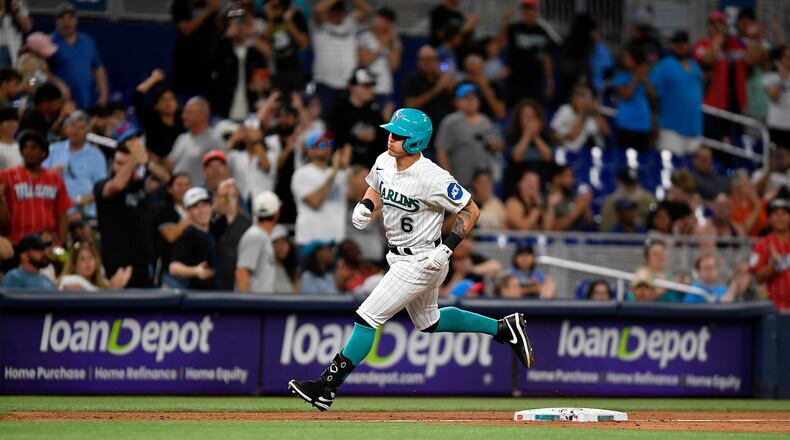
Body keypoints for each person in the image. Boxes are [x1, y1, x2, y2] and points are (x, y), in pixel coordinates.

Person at [288, 108, 535, 411]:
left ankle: (325, 387)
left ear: (416, 142)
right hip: (399, 257)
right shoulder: (384, 160)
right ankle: (502, 328)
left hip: (423, 259)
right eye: (391, 132)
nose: (391, 138)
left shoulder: (432, 176)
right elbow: (375, 186)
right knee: (429, 322)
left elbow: (471, 210)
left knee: (367, 318)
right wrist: (366, 205)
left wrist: (447, 248)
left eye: (399, 135)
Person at [94, 133, 170, 288]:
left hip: (142, 261)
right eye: (118, 163)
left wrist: (146, 161)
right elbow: (117, 185)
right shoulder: (102, 185)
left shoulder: (139, 185)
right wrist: (134, 158)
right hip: (117, 262)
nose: (120, 167)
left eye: (124, 163)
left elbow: (164, 178)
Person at [0, 130, 70, 245]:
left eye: (34, 147)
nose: (28, 151)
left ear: (43, 152)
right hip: (17, 242)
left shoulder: (55, 179)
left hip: (48, 241)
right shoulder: (6, 176)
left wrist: (61, 243)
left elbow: (62, 213)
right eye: (25, 147)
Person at [435, 83, 504, 189]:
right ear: (456, 101)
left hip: (484, 184)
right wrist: (449, 180)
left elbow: (497, 147)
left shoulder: (486, 121)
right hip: (461, 184)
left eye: (474, 97)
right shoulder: (450, 122)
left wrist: (496, 146)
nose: (472, 100)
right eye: (466, 97)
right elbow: (441, 152)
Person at [290, 130, 351, 246]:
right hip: (310, 240)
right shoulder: (302, 173)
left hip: (336, 240)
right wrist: (335, 172)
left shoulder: (339, 174)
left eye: (329, 144)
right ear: (310, 150)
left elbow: (356, 194)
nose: (327, 148)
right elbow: (315, 202)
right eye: (322, 145)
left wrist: (345, 166)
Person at [42, 111, 106, 219]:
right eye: (72, 126)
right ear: (67, 128)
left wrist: (87, 199)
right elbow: (39, 176)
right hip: (54, 210)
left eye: (80, 128)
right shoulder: (54, 150)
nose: (75, 131)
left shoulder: (96, 156)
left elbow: (102, 187)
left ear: (88, 130)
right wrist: (52, 173)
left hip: (85, 212)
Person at [650, 31, 704, 157]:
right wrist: (654, 122)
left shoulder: (695, 67)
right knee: (672, 169)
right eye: (677, 43)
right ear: (672, 45)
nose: (680, 47)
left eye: (683, 43)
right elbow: (652, 95)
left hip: (694, 127)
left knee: (691, 172)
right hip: (670, 128)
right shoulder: (664, 65)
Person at [311, 0, 370, 115]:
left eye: (338, 11)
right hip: (325, 84)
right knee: (326, 121)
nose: (335, 14)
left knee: (347, 121)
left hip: (348, 85)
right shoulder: (319, 25)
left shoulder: (350, 23)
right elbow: (318, 10)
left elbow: (366, 9)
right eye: (332, 11)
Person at [210, 6, 269, 120]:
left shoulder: (255, 55)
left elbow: (263, 85)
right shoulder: (221, 50)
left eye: (244, 23)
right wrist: (226, 35)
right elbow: (208, 65)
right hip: (222, 115)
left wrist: (262, 86)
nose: (240, 27)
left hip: (249, 116)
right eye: (236, 23)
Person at [48, 2, 108, 109]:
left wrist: (103, 94)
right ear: (56, 21)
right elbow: (38, 74)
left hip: (87, 101)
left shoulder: (87, 41)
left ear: (76, 20)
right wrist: (56, 82)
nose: (66, 22)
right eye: (62, 18)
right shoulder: (48, 42)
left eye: (71, 17)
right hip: (59, 103)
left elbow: (98, 68)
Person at [499, 0, 555, 106]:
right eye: (526, 11)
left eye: (532, 10)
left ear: (537, 12)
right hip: (517, 78)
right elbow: (502, 44)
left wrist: (549, 81)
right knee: (517, 107)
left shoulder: (543, 31)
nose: (529, 13)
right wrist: (504, 22)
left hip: (536, 78)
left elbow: (547, 58)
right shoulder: (514, 28)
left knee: (536, 106)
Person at [327, 67, 385, 167]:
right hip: (344, 166)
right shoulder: (339, 108)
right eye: (366, 86)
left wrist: (375, 136)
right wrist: (355, 137)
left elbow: (383, 140)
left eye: (372, 85)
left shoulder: (373, 109)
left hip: (369, 166)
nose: (370, 90)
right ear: (352, 87)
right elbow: (333, 138)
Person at [168, 186, 219, 290]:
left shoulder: (213, 229)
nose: (202, 211)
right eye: (195, 207)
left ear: (210, 206)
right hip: (198, 299)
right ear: (188, 212)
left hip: (216, 294)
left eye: (205, 205)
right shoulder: (189, 235)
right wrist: (195, 271)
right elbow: (173, 268)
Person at [167, 97, 225, 186]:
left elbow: (223, 173)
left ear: (203, 115)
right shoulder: (181, 138)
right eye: (184, 112)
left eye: (189, 112)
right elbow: (170, 165)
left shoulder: (215, 141)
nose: (184, 116)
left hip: (198, 195)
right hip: (177, 193)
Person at [402, 45, 455, 139]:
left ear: (438, 61)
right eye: (424, 59)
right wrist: (436, 90)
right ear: (418, 62)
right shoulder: (412, 80)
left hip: (444, 132)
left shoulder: (443, 79)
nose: (428, 63)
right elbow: (410, 105)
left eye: (431, 59)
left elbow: (456, 104)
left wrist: (451, 87)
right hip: (421, 133)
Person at [132, 69, 185, 161]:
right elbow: (136, 96)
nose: (168, 103)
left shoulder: (184, 122)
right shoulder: (150, 120)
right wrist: (153, 79)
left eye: (171, 99)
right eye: (163, 100)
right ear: (156, 106)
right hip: (154, 165)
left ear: (177, 104)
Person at [171, 0, 220, 96]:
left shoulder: (211, 3)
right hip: (186, 60)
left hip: (207, 59)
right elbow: (185, 29)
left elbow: (221, 23)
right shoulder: (180, 4)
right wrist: (207, 11)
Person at [612, 43, 655, 151]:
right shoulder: (620, 75)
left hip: (643, 125)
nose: (624, 59)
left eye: (627, 57)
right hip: (626, 124)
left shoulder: (647, 75)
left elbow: (653, 96)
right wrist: (635, 77)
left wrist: (644, 78)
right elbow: (626, 95)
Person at [236, 191, 280, 293]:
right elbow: (242, 273)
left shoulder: (261, 236)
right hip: (254, 305)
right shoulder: (255, 236)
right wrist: (249, 306)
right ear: (277, 213)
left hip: (262, 304)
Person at [750, 197, 790, 310]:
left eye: (784, 213)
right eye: (776, 214)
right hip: (775, 307)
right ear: (769, 219)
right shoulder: (762, 244)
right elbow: (758, 278)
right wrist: (772, 265)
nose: (780, 218)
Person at [261, 0, 309, 94]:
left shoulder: (295, 15)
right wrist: (270, 19)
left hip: (296, 70)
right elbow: (264, 43)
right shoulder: (264, 16)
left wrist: (289, 22)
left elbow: (304, 44)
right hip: (274, 72)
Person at [357, 7, 401, 110]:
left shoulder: (394, 41)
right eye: (379, 19)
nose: (380, 22)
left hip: (385, 89)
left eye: (386, 21)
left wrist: (391, 44)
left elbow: (394, 66)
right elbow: (364, 61)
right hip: (366, 89)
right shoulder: (364, 37)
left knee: (384, 122)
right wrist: (382, 44)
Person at [153, 172, 191, 286]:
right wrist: (192, 215)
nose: (184, 188)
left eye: (187, 185)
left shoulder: (201, 209)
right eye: (179, 185)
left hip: (195, 272)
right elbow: (171, 236)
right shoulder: (163, 210)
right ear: (170, 189)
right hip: (171, 274)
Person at [550, 83, 610, 153]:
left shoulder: (593, 113)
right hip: (570, 151)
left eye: (587, 96)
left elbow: (607, 132)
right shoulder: (565, 110)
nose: (585, 100)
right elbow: (572, 137)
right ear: (573, 98)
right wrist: (582, 112)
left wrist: (594, 111)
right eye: (581, 96)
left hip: (596, 152)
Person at [599, 167, 655, 232]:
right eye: (627, 184)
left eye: (634, 183)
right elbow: (605, 227)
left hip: (642, 237)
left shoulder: (648, 199)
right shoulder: (610, 202)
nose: (631, 187)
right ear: (618, 182)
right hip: (617, 238)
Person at [57, 242, 131, 291]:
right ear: (74, 265)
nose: (87, 262)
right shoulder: (71, 279)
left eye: (90, 258)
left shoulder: (103, 283)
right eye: (82, 259)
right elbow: (73, 290)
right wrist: (111, 289)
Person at [543, 164, 593, 231]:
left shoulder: (574, 196)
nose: (572, 180)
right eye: (567, 176)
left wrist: (585, 205)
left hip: (577, 239)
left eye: (572, 176)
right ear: (556, 179)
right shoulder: (545, 198)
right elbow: (552, 228)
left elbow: (590, 222)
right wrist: (576, 211)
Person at [764, 45, 790, 150]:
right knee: (777, 159)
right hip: (777, 125)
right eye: (786, 56)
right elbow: (773, 97)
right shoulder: (770, 76)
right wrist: (782, 80)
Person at [731, 169, 768, 237]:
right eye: (745, 184)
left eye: (749, 182)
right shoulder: (731, 206)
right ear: (736, 187)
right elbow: (743, 230)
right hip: (745, 245)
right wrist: (756, 207)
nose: (750, 186)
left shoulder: (759, 202)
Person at [0, 0, 32, 67]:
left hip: (16, 50)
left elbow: (28, 27)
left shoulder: (18, 4)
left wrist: (16, 11)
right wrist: (3, 11)